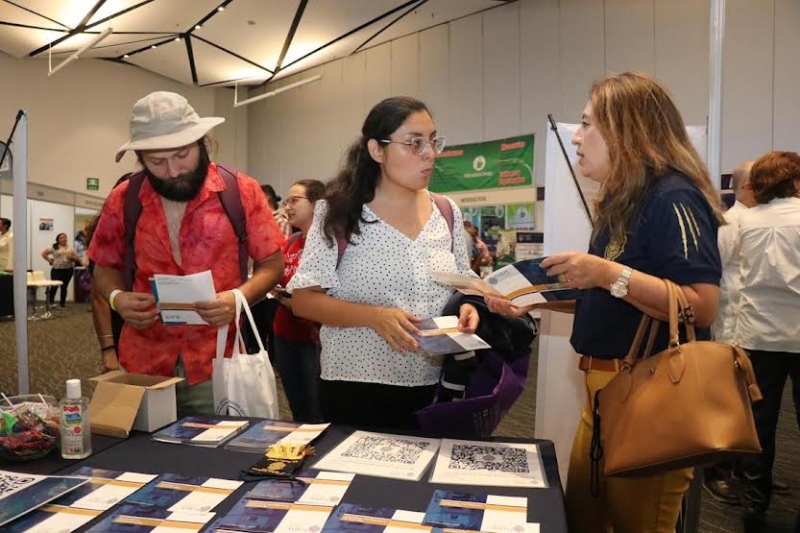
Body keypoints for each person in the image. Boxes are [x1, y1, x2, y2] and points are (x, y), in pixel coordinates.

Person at [485, 72, 723, 532]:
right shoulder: (623, 201)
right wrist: (532, 302)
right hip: (605, 393)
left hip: (652, 398)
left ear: (628, 130)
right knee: (584, 516)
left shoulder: (674, 197)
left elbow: (701, 306)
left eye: (587, 124)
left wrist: (608, 273)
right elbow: (612, 297)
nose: (575, 137)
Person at [88, 91, 285, 416]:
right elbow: (103, 268)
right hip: (143, 361)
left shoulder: (241, 191)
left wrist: (237, 298)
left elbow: (272, 265)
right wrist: (116, 299)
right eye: (157, 162)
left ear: (202, 142)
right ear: (141, 158)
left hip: (217, 359)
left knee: (216, 455)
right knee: (140, 456)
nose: (173, 170)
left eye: (182, 155)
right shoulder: (125, 199)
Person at [288, 96, 480, 430]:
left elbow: (464, 285)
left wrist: (471, 308)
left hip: (435, 384)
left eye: (433, 141)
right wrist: (374, 317)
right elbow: (304, 301)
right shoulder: (337, 212)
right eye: (414, 143)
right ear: (377, 151)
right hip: (356, 384)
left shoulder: (446, 212)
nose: (429, 154)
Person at [733, 151, 800, 531]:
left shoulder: (744, 220)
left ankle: (754, 506)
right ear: (795, 181)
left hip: (757, 332)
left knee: (760, 422)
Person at [703, 160, 756, 505]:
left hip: (755, 328)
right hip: (728, 327)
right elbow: (713, 277)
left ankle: (748, 471)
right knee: (724, 404)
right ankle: (716, 473)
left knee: (751, 404)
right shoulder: (727, 225)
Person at [272, 179, 326, 422]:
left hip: (313, 337)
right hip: (284, 333)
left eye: (295, 200)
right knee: (296, 407)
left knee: (317, 407)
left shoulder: (328, 244)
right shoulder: (291, 242)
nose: (288, 207)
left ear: (317, 204)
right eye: (286, 201)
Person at [41, 233, 79, 308]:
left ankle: (62, 304)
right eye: (62, 238)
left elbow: (76, 258)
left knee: (64, 287)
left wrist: (72, 258)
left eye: (65, 237)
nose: (64, 239)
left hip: (68, 270)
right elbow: (43, 253)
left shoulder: (70, 248)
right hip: (57, 270)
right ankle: (50, 303)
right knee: (54, 287)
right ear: (58, 240)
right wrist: (50, 261)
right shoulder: (54, 247)